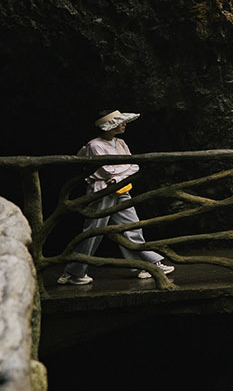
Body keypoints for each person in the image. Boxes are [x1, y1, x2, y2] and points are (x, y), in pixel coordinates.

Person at [58, 109, 175, 285]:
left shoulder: (120, 143)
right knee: (93, 232)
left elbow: (133, 166)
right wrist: (120, 172)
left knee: (132, 227)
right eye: (120, 122)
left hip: (121, 188)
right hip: (102, 191)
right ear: (109, 126)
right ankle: (74, 272)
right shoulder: (95, 145)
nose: (124, 124)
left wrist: (119, 177)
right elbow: (106, 170)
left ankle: (146, 264)